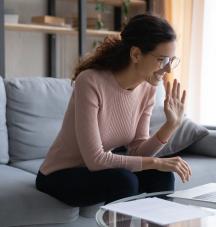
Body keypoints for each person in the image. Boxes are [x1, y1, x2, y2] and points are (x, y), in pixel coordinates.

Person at [35, 14, 192, 207]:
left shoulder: (148, 88)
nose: (167, 69)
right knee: (125, 181)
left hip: (99, 172)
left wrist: (170, 125)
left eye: (171, 60)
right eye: (161, 60)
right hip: (59, 175)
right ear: (136, 54)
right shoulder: (90, 82)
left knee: (162, 176)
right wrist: (156, 162)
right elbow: (95, 160)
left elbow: (137, 150)